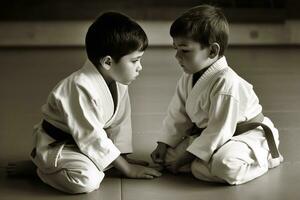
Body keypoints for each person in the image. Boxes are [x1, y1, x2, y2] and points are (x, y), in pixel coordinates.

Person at [7, 11, 161, 194]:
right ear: (108, 62)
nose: (140, 67)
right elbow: (91, 136)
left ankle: (101, 161)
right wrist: (127, 169)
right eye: (135, 60)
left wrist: (122, 157)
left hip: (85, 144)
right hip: (59, 145)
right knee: (87, 181)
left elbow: (120, 122)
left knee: (103, 161)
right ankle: (42, 169)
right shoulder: (80, 86)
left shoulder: (118, 81)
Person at [151, 4, 283, 185]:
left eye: (184, 50)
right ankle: (202, 163)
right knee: (167, 159)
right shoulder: (187, 77)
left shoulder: (226, 83)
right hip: (214, 136)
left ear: (213, 51)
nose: (177, 56)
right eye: (175, 48)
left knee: (224, 165)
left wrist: (185, 159)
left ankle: (267, 160)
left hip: (246, 134)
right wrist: (164, 144)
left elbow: (218, 130)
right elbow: (177, 114)